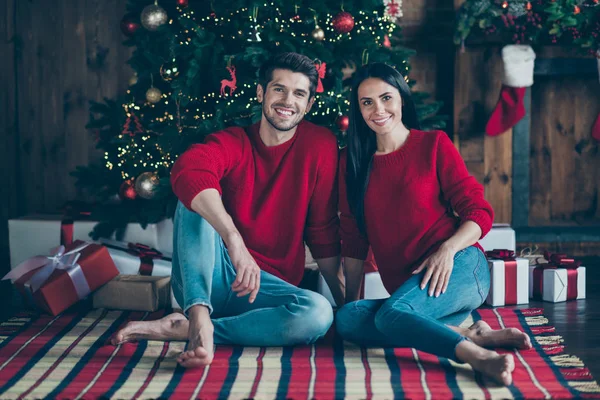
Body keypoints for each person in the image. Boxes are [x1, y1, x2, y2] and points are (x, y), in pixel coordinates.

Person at [111, 53, 344, 368]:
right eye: (279, 89)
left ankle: (192, 329)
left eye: (299, 93)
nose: (287, 100)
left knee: (318, 313)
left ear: (309, 104)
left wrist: (346, 304)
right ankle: (198, 315)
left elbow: (321, 229)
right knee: (194, 199)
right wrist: (233, 238)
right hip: (211, 277)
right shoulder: (234, 141)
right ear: (261, 93)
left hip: (268, 289)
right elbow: (189, 169)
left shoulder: (320, 145)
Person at [336, 62, 532, 386]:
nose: (378, 109)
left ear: (401, 98)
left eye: (386, 98)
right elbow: (354, 237)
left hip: (461, 267)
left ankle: (475, 356)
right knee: (346, 320)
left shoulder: (433, 145)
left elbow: (479, 211)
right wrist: (352, 302)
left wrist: (448, 249)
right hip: (409, 292)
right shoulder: (352, 163)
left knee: (388, 317)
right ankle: (472, 333)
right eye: (366, 102)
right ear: (358, 109)